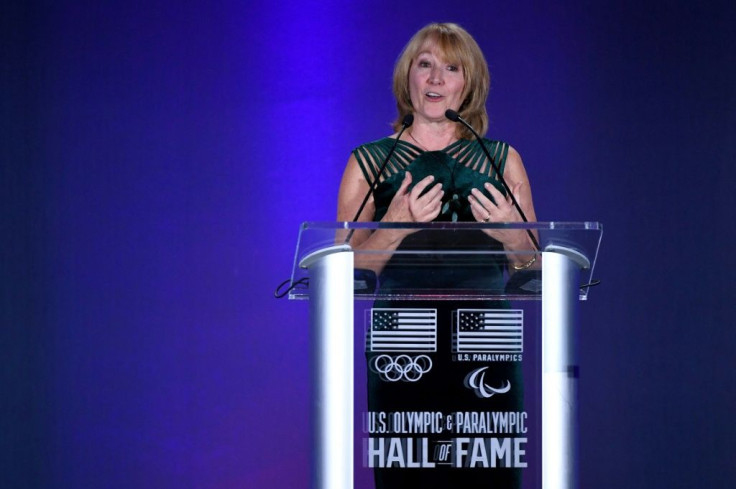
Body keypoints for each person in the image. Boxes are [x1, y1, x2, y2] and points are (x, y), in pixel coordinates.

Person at [337, 22, 538, 488]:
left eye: (451, 68)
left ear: (469, 83)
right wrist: (396, 227)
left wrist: (512, 235)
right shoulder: (370, 161)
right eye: (425, 65)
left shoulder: (501, 160)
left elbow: (535, 268)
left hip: (487, 340)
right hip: (403, 346)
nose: (435, 79)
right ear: (407, 76)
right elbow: (342, 273)